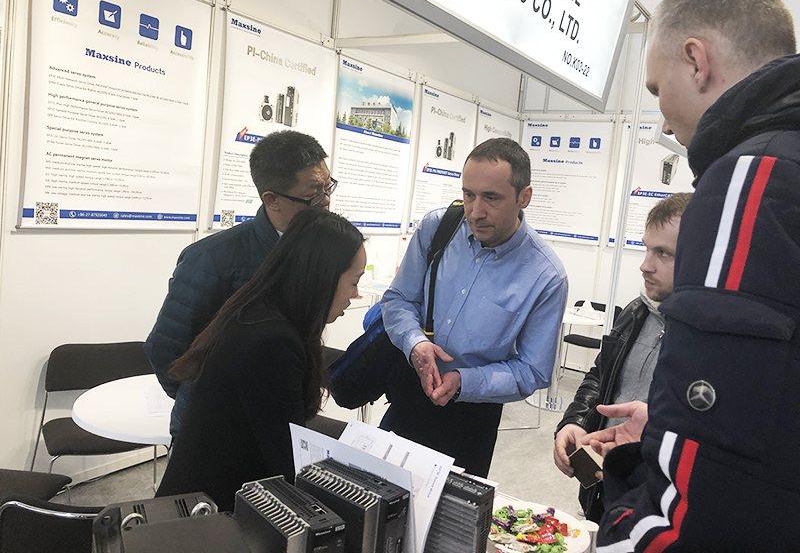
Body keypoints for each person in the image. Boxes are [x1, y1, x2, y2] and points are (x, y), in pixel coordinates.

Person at [591, 0, 800, 551]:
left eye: (658, 89)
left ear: (696, 60)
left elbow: (716, 470)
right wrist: (668, 425)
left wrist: (626, 532)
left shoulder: (750, 179)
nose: (663, 120)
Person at [380, 137, 568, 477]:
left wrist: (464, 381)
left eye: (491, 198)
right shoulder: (439, 227)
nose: (476, 211)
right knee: (380, 488)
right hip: (409, 386)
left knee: (452, 507)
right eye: (469, 194)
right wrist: (415, 342)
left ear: (524, 197)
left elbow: (533, 370)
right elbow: (398, 299)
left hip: (472, 414)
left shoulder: (545, 276)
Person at [155, 208, 365, 511]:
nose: (355, 294)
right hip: (210, 512)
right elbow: (286, 463)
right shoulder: (272, 343)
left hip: (210, 499)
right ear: (323, 276)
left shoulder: (260, 314)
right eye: (354, 282)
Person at [144, 130, 336, 437]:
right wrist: (201, 396)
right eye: (313, 193)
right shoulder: (211, 258)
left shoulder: (314, 250)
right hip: (215, 426)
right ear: (271, 199)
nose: (325, 201)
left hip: (282, 414)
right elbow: (165, 348)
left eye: (328, 187)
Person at [553, 192, 691, 522]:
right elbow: (600, 376)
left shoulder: (712, 340)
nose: (645, 265)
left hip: (660, 504)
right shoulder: (636, 311)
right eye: (646, 248)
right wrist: (575, 422)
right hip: (605, 485)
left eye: (664, 253)